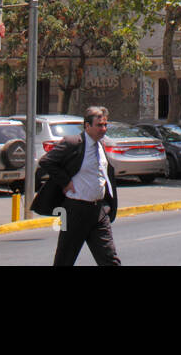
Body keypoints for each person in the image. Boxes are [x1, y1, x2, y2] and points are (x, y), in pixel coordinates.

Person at [30, 105, 120, 266]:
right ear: (87, 126)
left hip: (98, 212)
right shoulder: (73, 143)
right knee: (64, 260)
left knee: (110, 260)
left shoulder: (100, 146)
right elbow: (46, 161)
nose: (104, 129)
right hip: (74, 212)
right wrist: (65, 181)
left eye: (105, 125)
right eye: (99, 125)